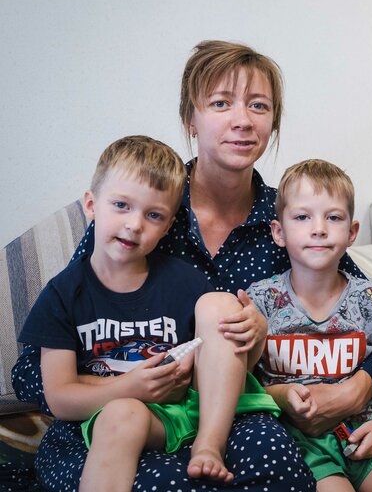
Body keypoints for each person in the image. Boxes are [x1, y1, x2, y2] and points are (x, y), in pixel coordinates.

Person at [12, 40, 372, 491]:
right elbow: (32, 373)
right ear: (190, 119)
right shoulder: (147, 210)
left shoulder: (291, 221)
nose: (242, 120)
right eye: (221, 103)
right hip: (121, 417)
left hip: (237, 415)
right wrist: (130, 384)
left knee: (282, 470)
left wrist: (363, 384)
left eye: (259, 106)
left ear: (273, 124)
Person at [18, 135, 280, 490]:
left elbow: (227, 368)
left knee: (220, 303)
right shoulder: (63, 294)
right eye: (122, 205)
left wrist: (255, 337)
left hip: (189, 412)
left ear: (169, 225)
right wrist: (130, 387)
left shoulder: (185, 283)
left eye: (153, 215)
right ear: (92, 205)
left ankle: (209, 446)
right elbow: (60, 398)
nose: (135, 224)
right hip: (115, 412)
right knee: (122, 413)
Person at [248, 159, 372, 492]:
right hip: (302, 444)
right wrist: (283, 395)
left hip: (368, 430)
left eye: (333, 217)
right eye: (302, 217)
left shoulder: (369, 298)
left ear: (351, 233)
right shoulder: (261, 300)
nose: (319, 228)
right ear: (279, 232)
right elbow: (243, 385)